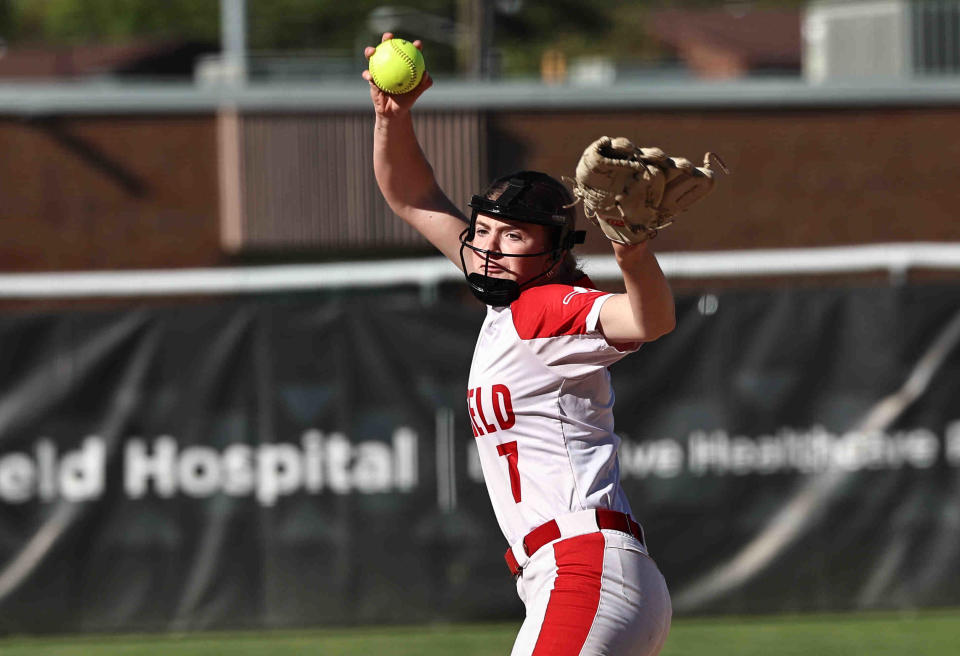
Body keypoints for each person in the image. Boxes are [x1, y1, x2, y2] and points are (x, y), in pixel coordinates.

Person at [364, 33, 674, 656]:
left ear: (554, 250)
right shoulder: (508, 288)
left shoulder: (542, 305)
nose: (489, 247)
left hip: (586, 570)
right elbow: (411, 196)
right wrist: (390, 119)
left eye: (513, 237)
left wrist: (634, 255)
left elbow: (649, 321)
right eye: (483, 231)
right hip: (566, 575)